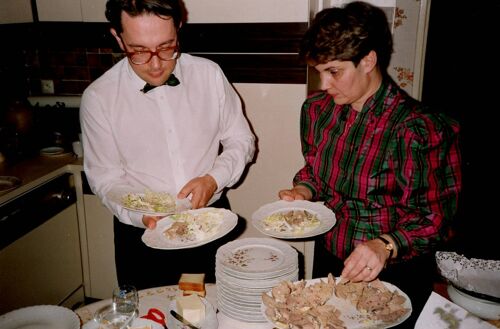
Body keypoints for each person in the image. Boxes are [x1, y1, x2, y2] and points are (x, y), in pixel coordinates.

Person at [278, 2, 461, 327]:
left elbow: (435, 219)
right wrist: (303, 191)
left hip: (393, 271)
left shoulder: (418, 129)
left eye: (333, 71)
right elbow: (315, 171)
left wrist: (385, 245)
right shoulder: (318, 111)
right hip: (330, 259)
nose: (323, 85)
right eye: (318, 71)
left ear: (368, 60)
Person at [80, 0, 255, 289]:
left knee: (201, 314)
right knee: (150, 319)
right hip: (141, 237)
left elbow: (241, 139)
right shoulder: (99, 98)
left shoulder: (208, 75)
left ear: (179, 28)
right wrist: (141, 214)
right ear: (117, 37)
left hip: (207, 227)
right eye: (138, 51)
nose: (156, 63)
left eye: (166, 46)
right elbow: (105, 178)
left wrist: (213, 179)